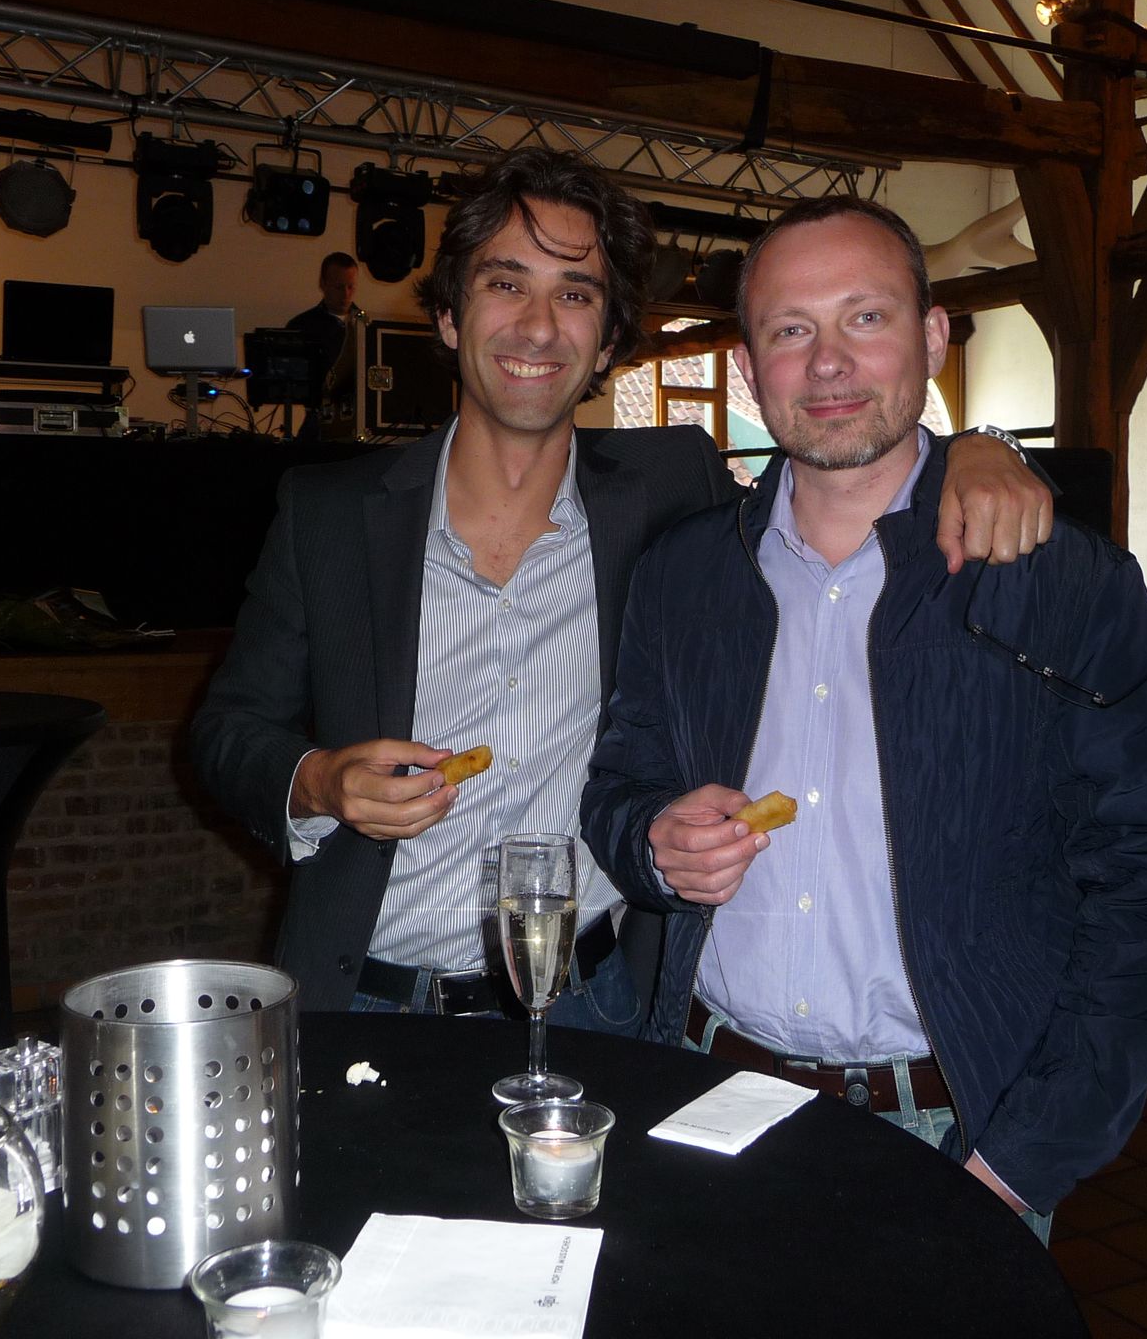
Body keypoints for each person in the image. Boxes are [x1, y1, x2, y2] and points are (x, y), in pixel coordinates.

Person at [191, 153, 1051, 1033]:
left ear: (607, 342)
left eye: (575, 294)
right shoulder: (329, 515)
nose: (537, 327)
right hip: (368, 1001)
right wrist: (318, 781)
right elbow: (226, 732)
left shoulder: (672, 492)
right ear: (449, 315)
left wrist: (981, 446)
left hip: (593, 1008)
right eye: (505, 284)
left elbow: (846, 468)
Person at [579, 195, 1147, 1232]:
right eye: (791, 329)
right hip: (707, 1094)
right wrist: (652, 839)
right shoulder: (684, 573)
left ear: (932, 338)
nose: (828, 363)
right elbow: (620, 783)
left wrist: (1023, 1160)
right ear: (749, 370)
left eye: (865, 318)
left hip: (955, 1132)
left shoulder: (1064, 581)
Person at [286, 251, 360, 439]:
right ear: (323, 284)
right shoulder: (302, 326)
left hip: (358, 422)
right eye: (339, 287)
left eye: (351, 287)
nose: (346, 294)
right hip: (319, 421)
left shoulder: (366, 326)